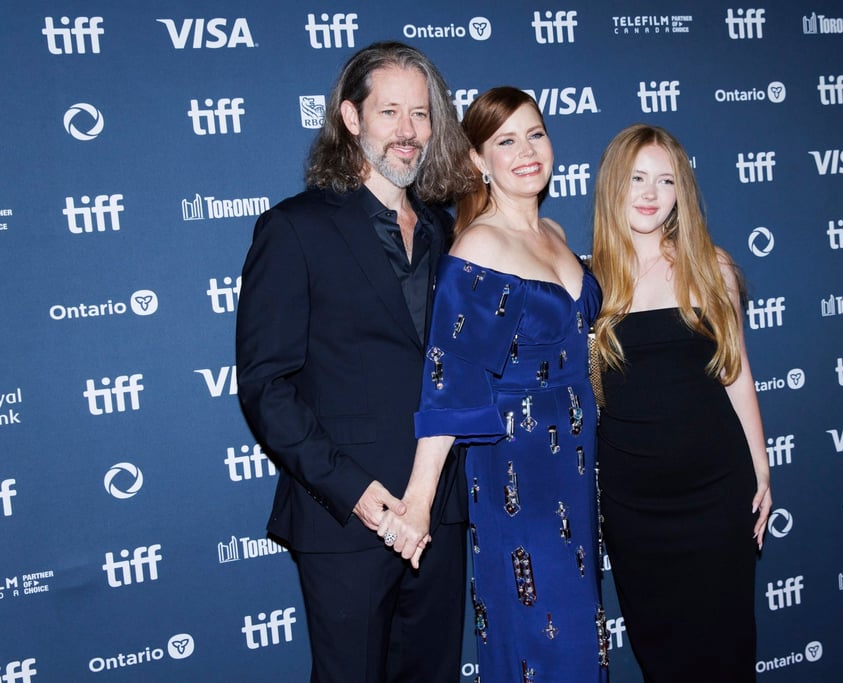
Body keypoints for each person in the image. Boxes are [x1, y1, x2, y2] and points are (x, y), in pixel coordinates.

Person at [235, 41, 474, 683]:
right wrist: (362, 496)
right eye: (390, 111)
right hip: (346, 518)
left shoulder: (446, 233)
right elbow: (266, 388)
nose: (407, 132)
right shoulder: (296, 228)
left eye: (421, 115)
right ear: (350, 118)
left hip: (440, 512)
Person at [377, 87, 610, 682]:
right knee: (540, 635)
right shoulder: (480, 245)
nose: (526, 151)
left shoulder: (555, 232)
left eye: (535, 134)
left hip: (575, 463)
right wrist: (420, 502)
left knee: (579, 629)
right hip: (519, 467)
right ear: (479, 160)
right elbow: (451, 379)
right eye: (505, 141)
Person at [590, 124, 772, 682]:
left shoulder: (710, 267)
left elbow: (736, 372)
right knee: (660, 648)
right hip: (634, 501)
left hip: (716, 489)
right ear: (614, 186)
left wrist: (761, 470)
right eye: (638, 178)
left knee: (728, 644)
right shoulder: (588, 281)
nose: (650, 193)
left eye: (666, 180)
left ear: (680, 192)